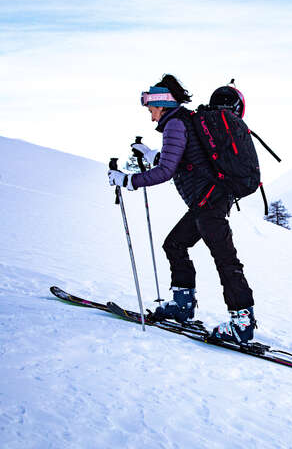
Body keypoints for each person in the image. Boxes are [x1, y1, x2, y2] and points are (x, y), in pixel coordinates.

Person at [107, 74, 256, 344]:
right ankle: (182, 305)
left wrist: (129, 180)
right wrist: (149, 152)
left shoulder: (176, 123)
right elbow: (183, 161)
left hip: (209, 201)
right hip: (205, 202)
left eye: (150, 109)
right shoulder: (181, 121)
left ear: (161, 103)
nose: (151, 116)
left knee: (225, 258)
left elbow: (166, 171)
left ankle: (241, 323)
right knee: (174, 244)